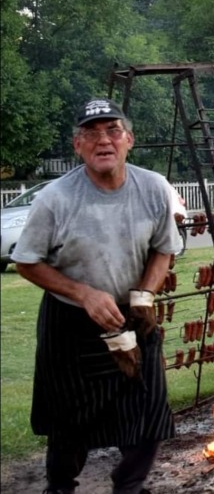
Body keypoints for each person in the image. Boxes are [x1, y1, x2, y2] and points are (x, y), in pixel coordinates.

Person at [12, 98, 183, 493]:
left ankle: (130, 486)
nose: (102, 140)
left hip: (134, 317)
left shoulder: (154, 187)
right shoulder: (55, 198)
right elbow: (26, 262)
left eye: (112, 131)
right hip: (72, 323)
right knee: (69, 420)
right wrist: (84, 294)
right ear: (77, 146)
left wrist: (146, 293)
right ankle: (60, 487)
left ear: (129, 140)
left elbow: (164, 247)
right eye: (91, 133)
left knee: (148, 410)